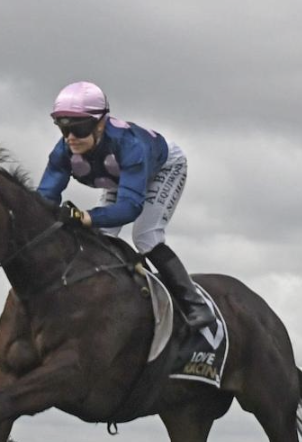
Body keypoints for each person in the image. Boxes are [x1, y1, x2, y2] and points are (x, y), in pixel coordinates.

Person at [37, 81, 214, 332]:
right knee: (101, 237)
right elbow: (44, 198)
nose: (71, 138)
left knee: (146, 235)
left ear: (100, 124)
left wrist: (85, 216)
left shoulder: (129, 145)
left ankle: (195, 305)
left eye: (79, 128)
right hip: (121, 175)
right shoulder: (63, 151)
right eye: (63, 129)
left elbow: (130, 207)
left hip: (162, 167)